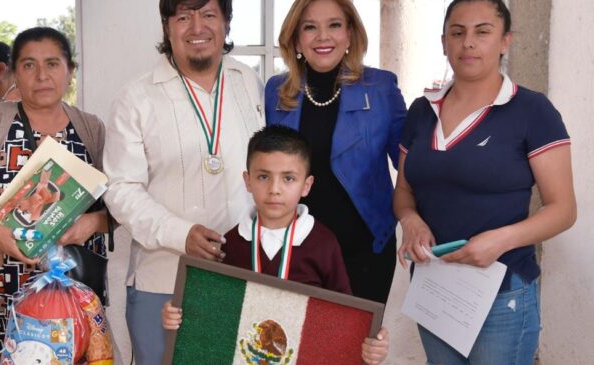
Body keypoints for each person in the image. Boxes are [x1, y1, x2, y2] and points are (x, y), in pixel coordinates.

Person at [394, 0, 576, 363]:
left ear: (505, 40)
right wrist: (410, 221)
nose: (468, 43)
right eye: (457, 33)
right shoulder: (421, 110)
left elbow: (564, 210)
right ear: (443, 42)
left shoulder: (531, 110)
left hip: (501, 290)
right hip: (435, 286)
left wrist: (500, 240)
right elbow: (404, 191)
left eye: (483, 32)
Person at [0, 27, 110, 364]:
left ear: (70, 71)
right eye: (29, 65)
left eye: (53, 64)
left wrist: (94, 222)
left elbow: (122, 204)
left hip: (77, 293)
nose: (42, 75)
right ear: (14, 72)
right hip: (8, 300)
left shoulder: (91, 128)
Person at [102, 0, 264, 363]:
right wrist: (181, 234)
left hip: (243, 277)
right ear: (167, 26)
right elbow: (120, 189)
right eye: (183, 17)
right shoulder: (136, 96)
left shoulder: (249, 83)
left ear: (226, 23)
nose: (197, 28)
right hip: (163, 281)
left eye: (208, 15)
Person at [162, 125, 389, 365]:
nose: (274, 189)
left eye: (288, 178)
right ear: (247, 181)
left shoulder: (323, 243)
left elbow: (346, 315)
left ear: (307, 185)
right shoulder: (231, 243)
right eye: (263, 177)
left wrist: (373, 343)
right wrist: (177, 313)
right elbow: (211, 313)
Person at [265, 0, 406, 304]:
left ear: (350, 33)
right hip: (295, 249)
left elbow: (412, 167)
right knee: (296, 347)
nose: (322, 37)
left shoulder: (381, 88)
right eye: (310, 27)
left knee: (354, 349)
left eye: (334, 25)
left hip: (365, 252)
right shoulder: (276, 92)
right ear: (296, 38)